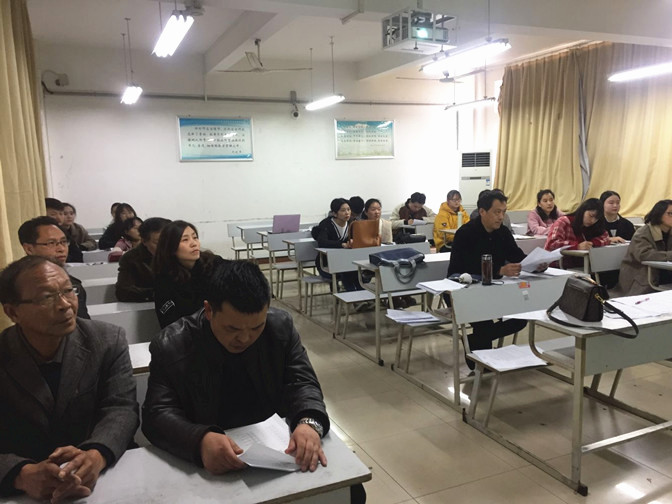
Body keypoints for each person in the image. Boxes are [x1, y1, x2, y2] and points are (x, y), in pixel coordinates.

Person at [142, 260, 365, 502]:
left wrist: (308, 422)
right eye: (232, 329)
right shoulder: (172, 345)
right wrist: (199, 441)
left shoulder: (279, 327)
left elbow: (302, 382)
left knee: (351, 492)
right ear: (209, 310)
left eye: (256, 327)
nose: (245, 338)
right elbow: (157, 414)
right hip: (215, 460)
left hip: (275, 451)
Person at [0, 256, 139, 502]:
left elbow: (121, 408)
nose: (65, 304)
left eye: (68, 291)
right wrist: (20, 475)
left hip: (104, 480)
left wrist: (96, 454)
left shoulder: (107, 339)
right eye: (47, 297)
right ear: (12, 312)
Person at [448, 191, 545, 369]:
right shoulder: (466, 233)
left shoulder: (503, 232)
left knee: (520, 318)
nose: (501, 217)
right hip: (463, 290)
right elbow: (464, 266)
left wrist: (535, 263)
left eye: (503, 212)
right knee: (484, 322)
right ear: (482, 212)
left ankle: (474, 341)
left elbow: (516, 255)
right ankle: (480, 359)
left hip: (494, 289)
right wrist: (499, 270)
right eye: (497, 212)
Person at [152, 220, 224, 328]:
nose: (194, 243)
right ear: (171, 247)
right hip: (186, 333)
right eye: (185, 240)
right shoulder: (164, 278)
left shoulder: (213, 263)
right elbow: (169, 322)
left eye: (195, 237)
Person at [18, 216, 90, 319]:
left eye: (64, 242)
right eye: (51, 243)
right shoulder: (19, 285)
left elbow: (82, 321)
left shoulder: (73, 283)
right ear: (29, 249)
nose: (61, 249)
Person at [617, 199, 672, 295]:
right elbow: (644, 254)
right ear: (659, 214)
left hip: (664, 275)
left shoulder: (669, 231)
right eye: (670, 213)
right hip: (642, 279)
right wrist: (669, 255)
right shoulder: (643, 233)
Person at [311, 198, 362, 292]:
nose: (347, 213)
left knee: (356, 272)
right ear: (334, 213)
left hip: (347, 261)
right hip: (326, 264)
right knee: (347, 271)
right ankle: (353, 295)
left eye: (348, 209)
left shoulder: (352, 224)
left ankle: (360, 295)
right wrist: (342, 244)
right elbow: (322, 242)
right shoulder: (326, 224)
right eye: (343, 210)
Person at [116, 217, 171, 302]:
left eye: (170, 241)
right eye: (158, 243)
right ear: (144, 241)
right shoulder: (131, 258)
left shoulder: (181, 252)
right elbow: (123, 291)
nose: (165, 246)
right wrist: (157, 293)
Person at [545, 198, 610, 269]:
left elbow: (606, 238)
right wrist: (577, 246)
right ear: (583, 210)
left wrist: (592, 243)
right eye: (591, 216)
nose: (592, 221)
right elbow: (552, 244)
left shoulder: (594, 226)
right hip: (558, 266)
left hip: (582, 266)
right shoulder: (563, 221)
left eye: (596, 219)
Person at [45, 198, 83, 263]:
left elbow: (77, 254)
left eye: (61, 214)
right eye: (53, 214)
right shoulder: (42, 233)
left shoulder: (64, 232)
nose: (59, 218)